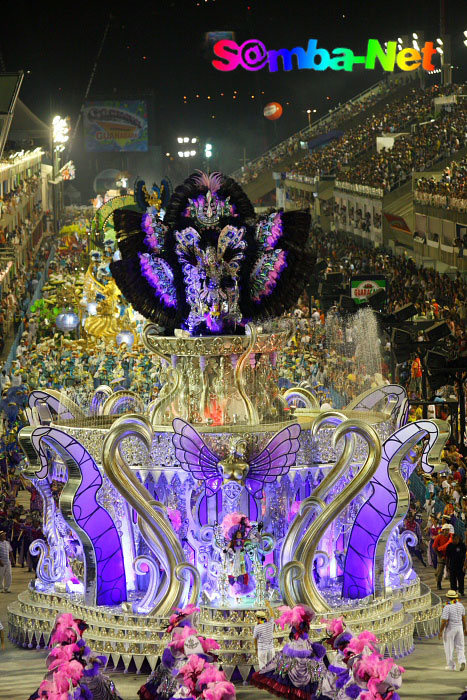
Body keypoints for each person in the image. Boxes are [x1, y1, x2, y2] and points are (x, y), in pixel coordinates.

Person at [438, 590, 467, 672]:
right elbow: (464, 618)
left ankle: (451, 666)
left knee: (449, 647)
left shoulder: (447, 606)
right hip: (460, 627)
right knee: (460, 647)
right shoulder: (460, 605)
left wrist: (441, 631)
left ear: (448, 597)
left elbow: (444, 620)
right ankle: (462, 661)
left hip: (451, 628)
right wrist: (465, 628)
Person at [253, 601, 275, 669]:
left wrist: (256, 649)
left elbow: (255, 639)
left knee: (263, 669)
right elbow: (272, 615)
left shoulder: (257, 627)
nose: (256, 619)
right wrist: (269, 606)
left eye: (256, 618)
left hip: (262, 650)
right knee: (271, 668)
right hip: (271, 649)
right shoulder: (270, 623)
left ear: (259, 618)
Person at [434, 524, 454, 590]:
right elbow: (434, 547)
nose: (447, 531)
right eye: (446, 530)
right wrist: (439, 555)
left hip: (449, 556)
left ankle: (452, 585)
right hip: (441, 556)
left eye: (448, 530)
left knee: (451, 571)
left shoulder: (451, 537)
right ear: (443, 530)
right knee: (440, 571)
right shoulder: (439, 537)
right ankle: (438, 584)